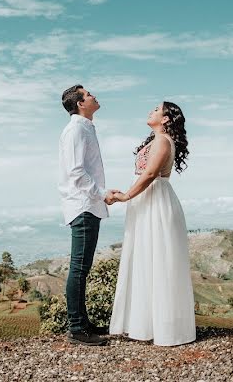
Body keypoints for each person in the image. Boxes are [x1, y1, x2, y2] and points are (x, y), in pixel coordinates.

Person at [108, 101, 196, 346]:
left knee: (157, 258)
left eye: (157, 109)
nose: (151, 111)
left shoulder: (162, 141)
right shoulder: (157, 140)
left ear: (166, 119)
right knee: (148, 258)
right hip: (148, 200)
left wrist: (125, 196)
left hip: (155, 200)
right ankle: (147, 323)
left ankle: (161, 327)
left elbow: (149, 175)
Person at [58, 84, 118, 346]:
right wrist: (102, 193)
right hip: (83, 205)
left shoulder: (84, 128)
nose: (94, 95)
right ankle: (76, 328)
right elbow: (76, 172)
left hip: (88, 204)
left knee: (83, 269)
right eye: (89, 94)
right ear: (81, 103)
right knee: (79, 269)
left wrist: (101, 193)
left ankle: (83, 322)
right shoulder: (76, 130)